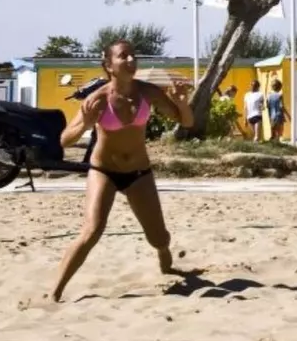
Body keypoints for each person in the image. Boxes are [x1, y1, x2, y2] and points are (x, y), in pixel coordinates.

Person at [50, 39, 193, 302]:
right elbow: (64, 140)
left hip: (139, 173)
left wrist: (182, 104)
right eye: (123, 56)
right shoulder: (98, 100)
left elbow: (185, 121)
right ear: (109, 66)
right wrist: (86, 125)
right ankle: (55, 292)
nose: (130, 60)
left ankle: (164, 258)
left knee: (158, 237)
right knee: (92, 231)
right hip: (103, 170)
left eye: (133, 55)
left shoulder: (148, 92)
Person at [266, 77, 287, 142]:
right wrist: (288, 115)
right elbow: (282, 106)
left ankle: (274, 142)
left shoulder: (268, 95)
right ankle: (277, 143)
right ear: (280, 87)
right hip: (279, 115)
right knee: (279, 132)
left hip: (272, 116)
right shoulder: (280, 95)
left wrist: (269, 116)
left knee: (273, 131)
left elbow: (267, 106)